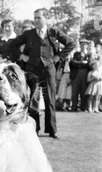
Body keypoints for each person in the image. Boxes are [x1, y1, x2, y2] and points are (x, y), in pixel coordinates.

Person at [9, 8, 75, 139]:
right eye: (35, 18)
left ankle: (52, 130)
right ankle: (35, 128)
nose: (36, 20)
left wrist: (59, 57)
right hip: (32, 70)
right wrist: (22, 56)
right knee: (33, 99)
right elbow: (12, 44)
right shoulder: (29, 33)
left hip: (49, 70)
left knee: (50, 100)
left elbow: (71, 43)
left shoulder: (54, 32)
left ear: (46, 18)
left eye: (39, 17)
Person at [70, 39, 91, 112]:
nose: (83, 46)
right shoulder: (76, 53)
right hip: (76, 73)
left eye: (85, 45)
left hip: (85, 74)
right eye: (82, 44)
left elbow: (89, 64)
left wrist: (79, 63)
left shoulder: (89, 54)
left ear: (87, 46)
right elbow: (73, 63)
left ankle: (84, 107)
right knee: (75, 91)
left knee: (83, 91)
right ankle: (74, 107)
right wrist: (82, 62)